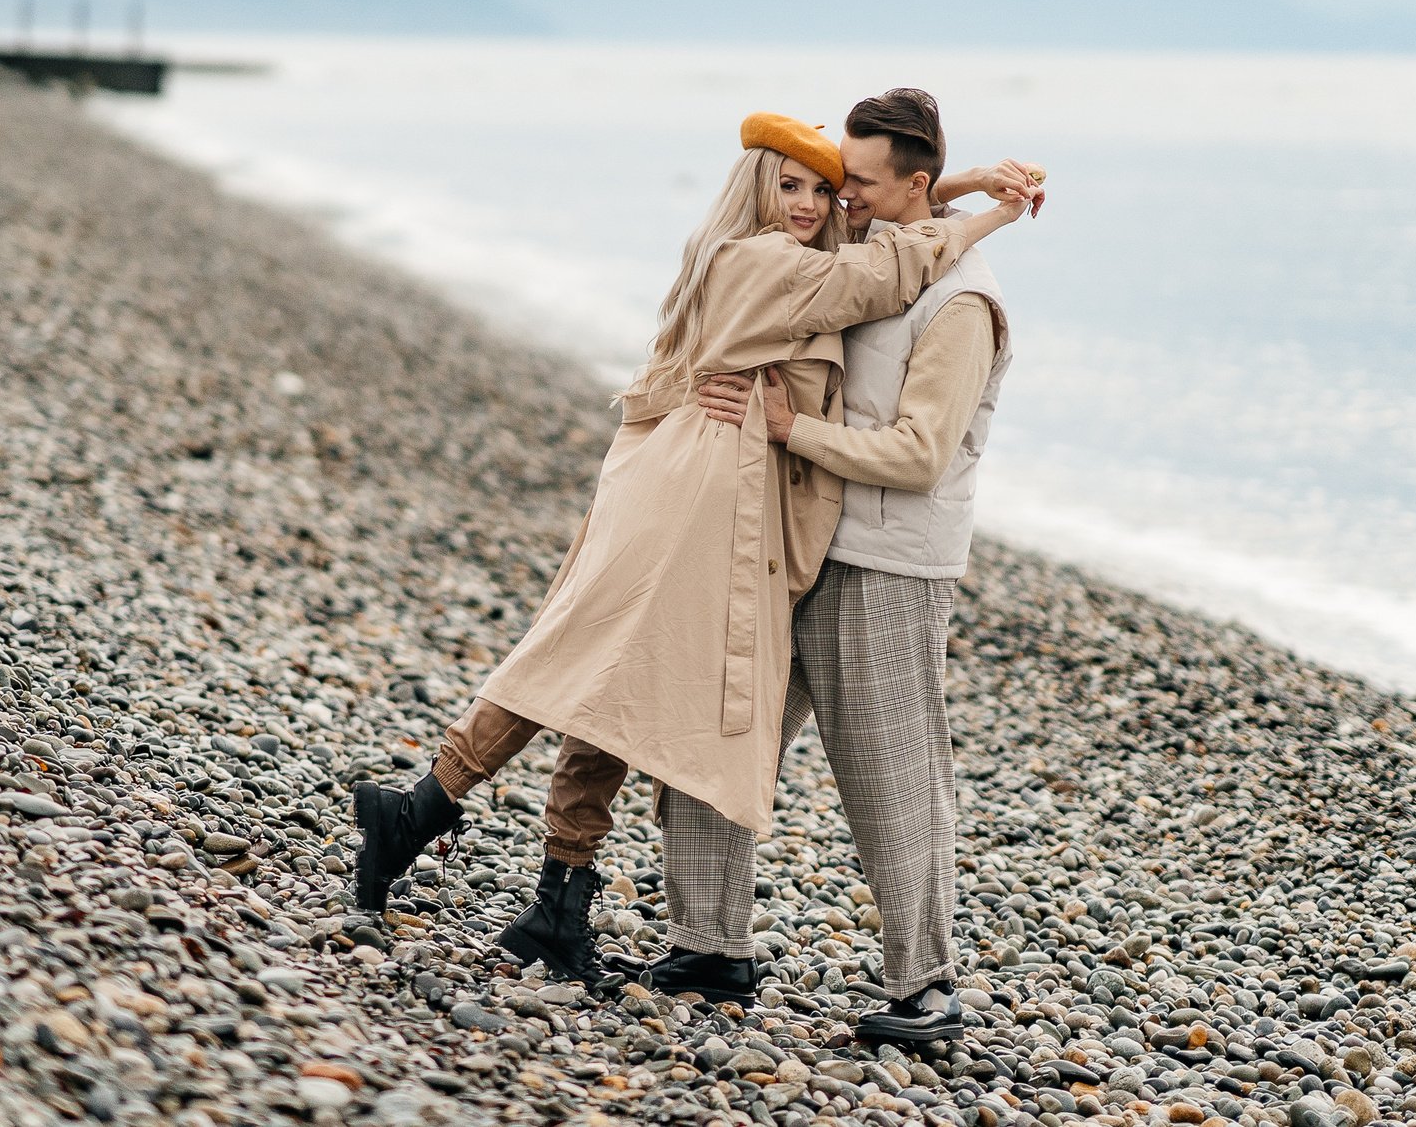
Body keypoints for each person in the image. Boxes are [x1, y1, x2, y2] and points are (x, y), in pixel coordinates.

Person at [350, 110, 1034, 987]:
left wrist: (964, 181)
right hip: (703, 491)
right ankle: (419, 810)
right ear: (754, 186)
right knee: (585, 667)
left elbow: (885, 216)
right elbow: (889, 260)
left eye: (824, 188)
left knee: (609, 680)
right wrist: (990, 215)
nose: (814, 202)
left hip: (718, 484)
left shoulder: (809, 249)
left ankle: (556, 896)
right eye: (788, 184)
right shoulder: (765, 261)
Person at [637, 88, 1033, 1044]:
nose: (838, 197)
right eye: (836, 180)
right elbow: (875, 236)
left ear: (910, 183)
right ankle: (709, 942)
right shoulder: (870, 253)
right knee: (715, 733)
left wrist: (788, 427)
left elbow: (920, 454)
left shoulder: (963, 303)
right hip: (794, 542)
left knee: (890, 772)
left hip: (889, 567)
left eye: (856, 182)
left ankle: (925, 987)